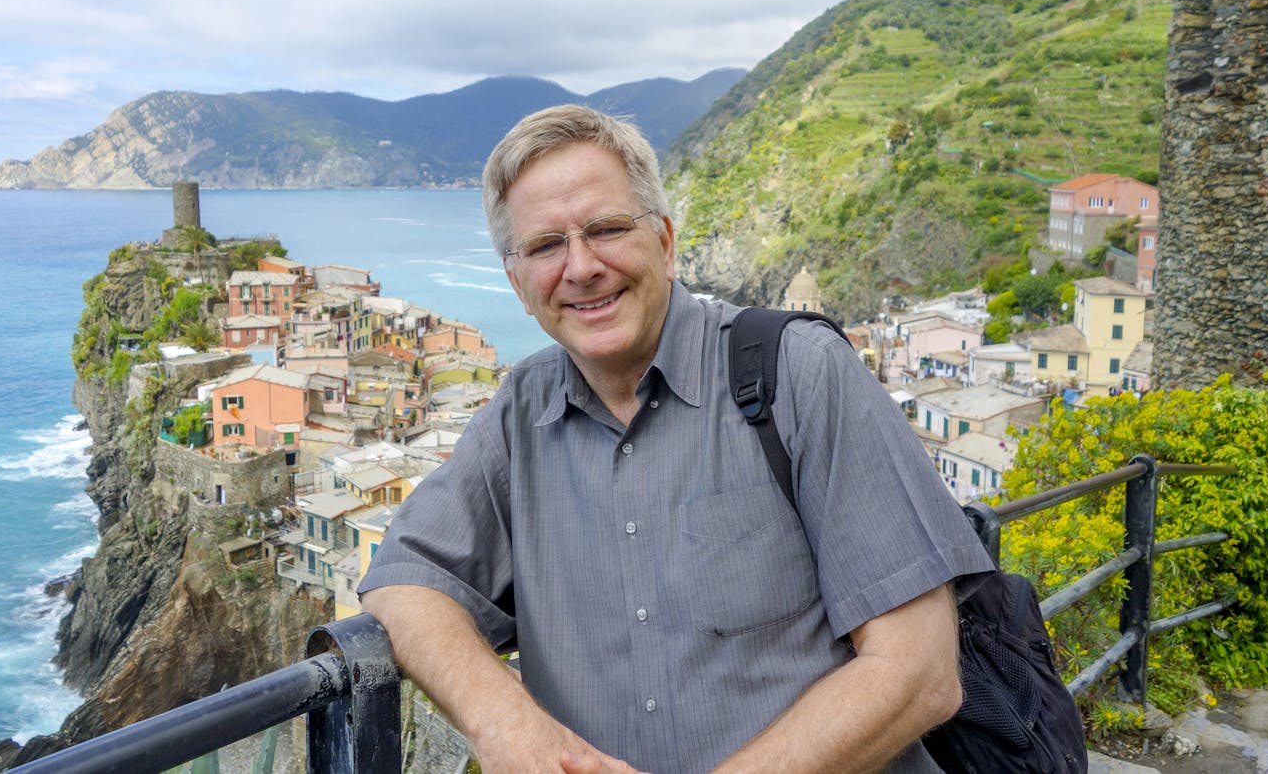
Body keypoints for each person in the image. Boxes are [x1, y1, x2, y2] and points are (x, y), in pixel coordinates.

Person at [359, 104, 994, 774]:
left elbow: (920, 669)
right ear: (518, 284)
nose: (580, 267)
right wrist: (508, 724)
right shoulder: (520, 415)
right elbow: (403, 578)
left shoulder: (800, 373)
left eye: (605, 229)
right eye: (545, 246)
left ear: (664, 241)